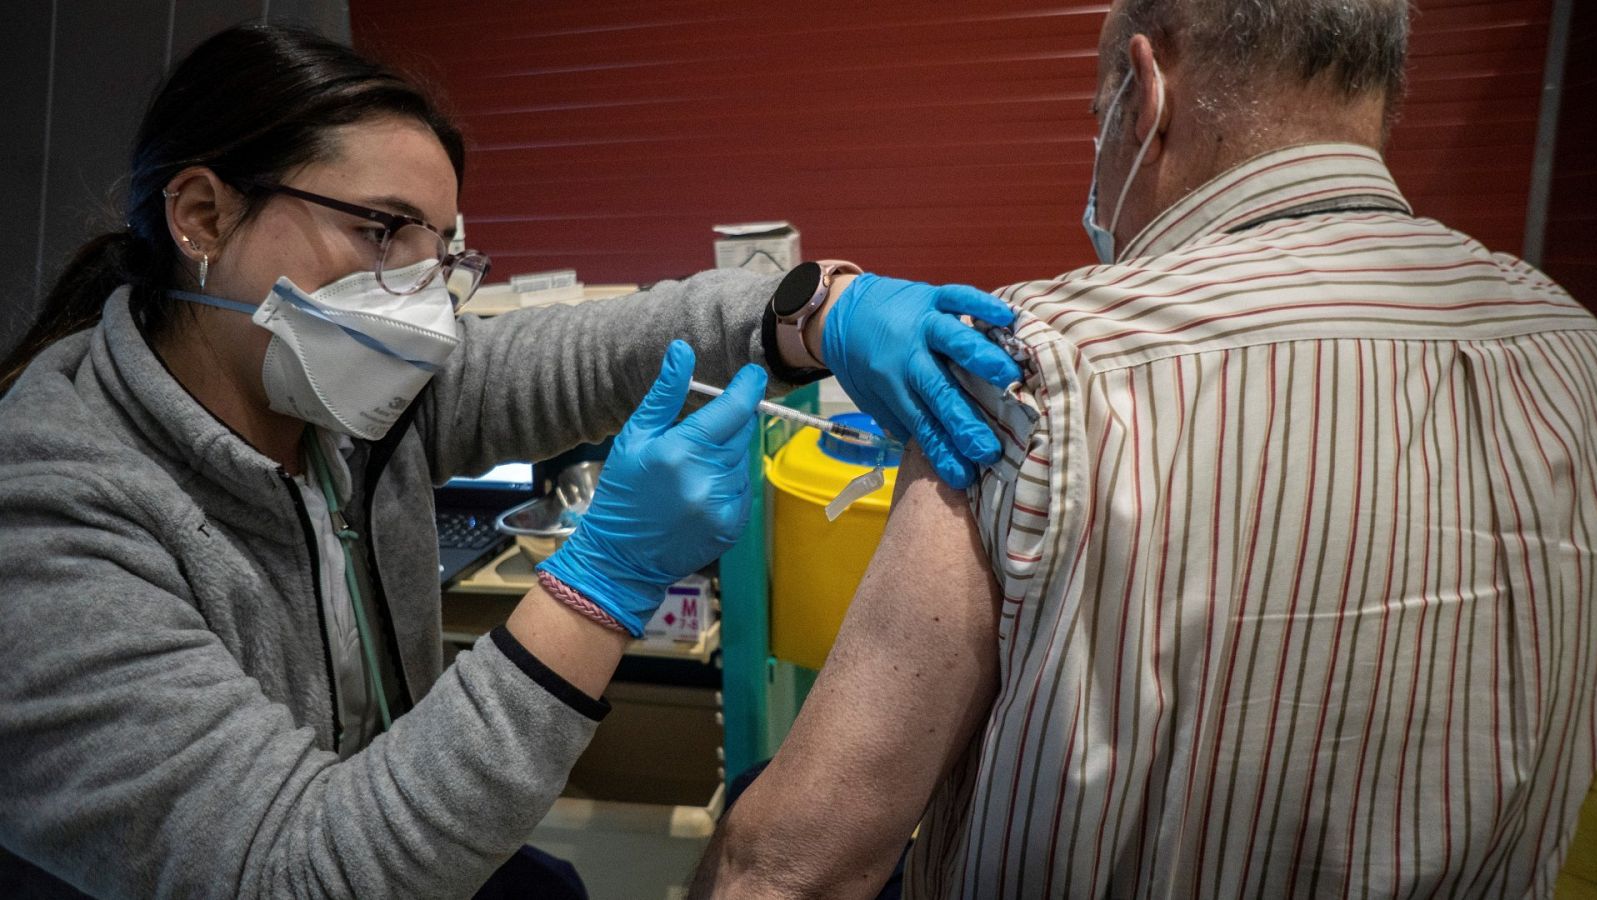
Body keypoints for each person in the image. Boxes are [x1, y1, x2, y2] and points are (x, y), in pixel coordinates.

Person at [0, 24, 1023, 898]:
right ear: (202, 217)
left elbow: (606, 347)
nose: (422, 301)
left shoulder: (340, 398)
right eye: (380, 231)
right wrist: (599, 582)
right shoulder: (49, 521)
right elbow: (303, 871)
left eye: (440, 252)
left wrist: (822, 311)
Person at [690, 0, 1597, 897]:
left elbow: (787, 870)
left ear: (1145, 91)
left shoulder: (1038, 364)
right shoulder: (1575, 352)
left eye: (1099, 116)